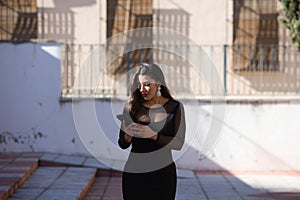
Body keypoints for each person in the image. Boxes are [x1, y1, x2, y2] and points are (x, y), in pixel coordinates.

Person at [118, 63, 186, 200]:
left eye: (147, 84)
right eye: (139, 85)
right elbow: (122, 144)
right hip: (134, 172)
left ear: (159, 83)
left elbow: (178, 144)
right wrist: (128, 135)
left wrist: (154, 136)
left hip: (163, 175)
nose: (142, 89)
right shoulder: (131, 106)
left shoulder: (175, 107)